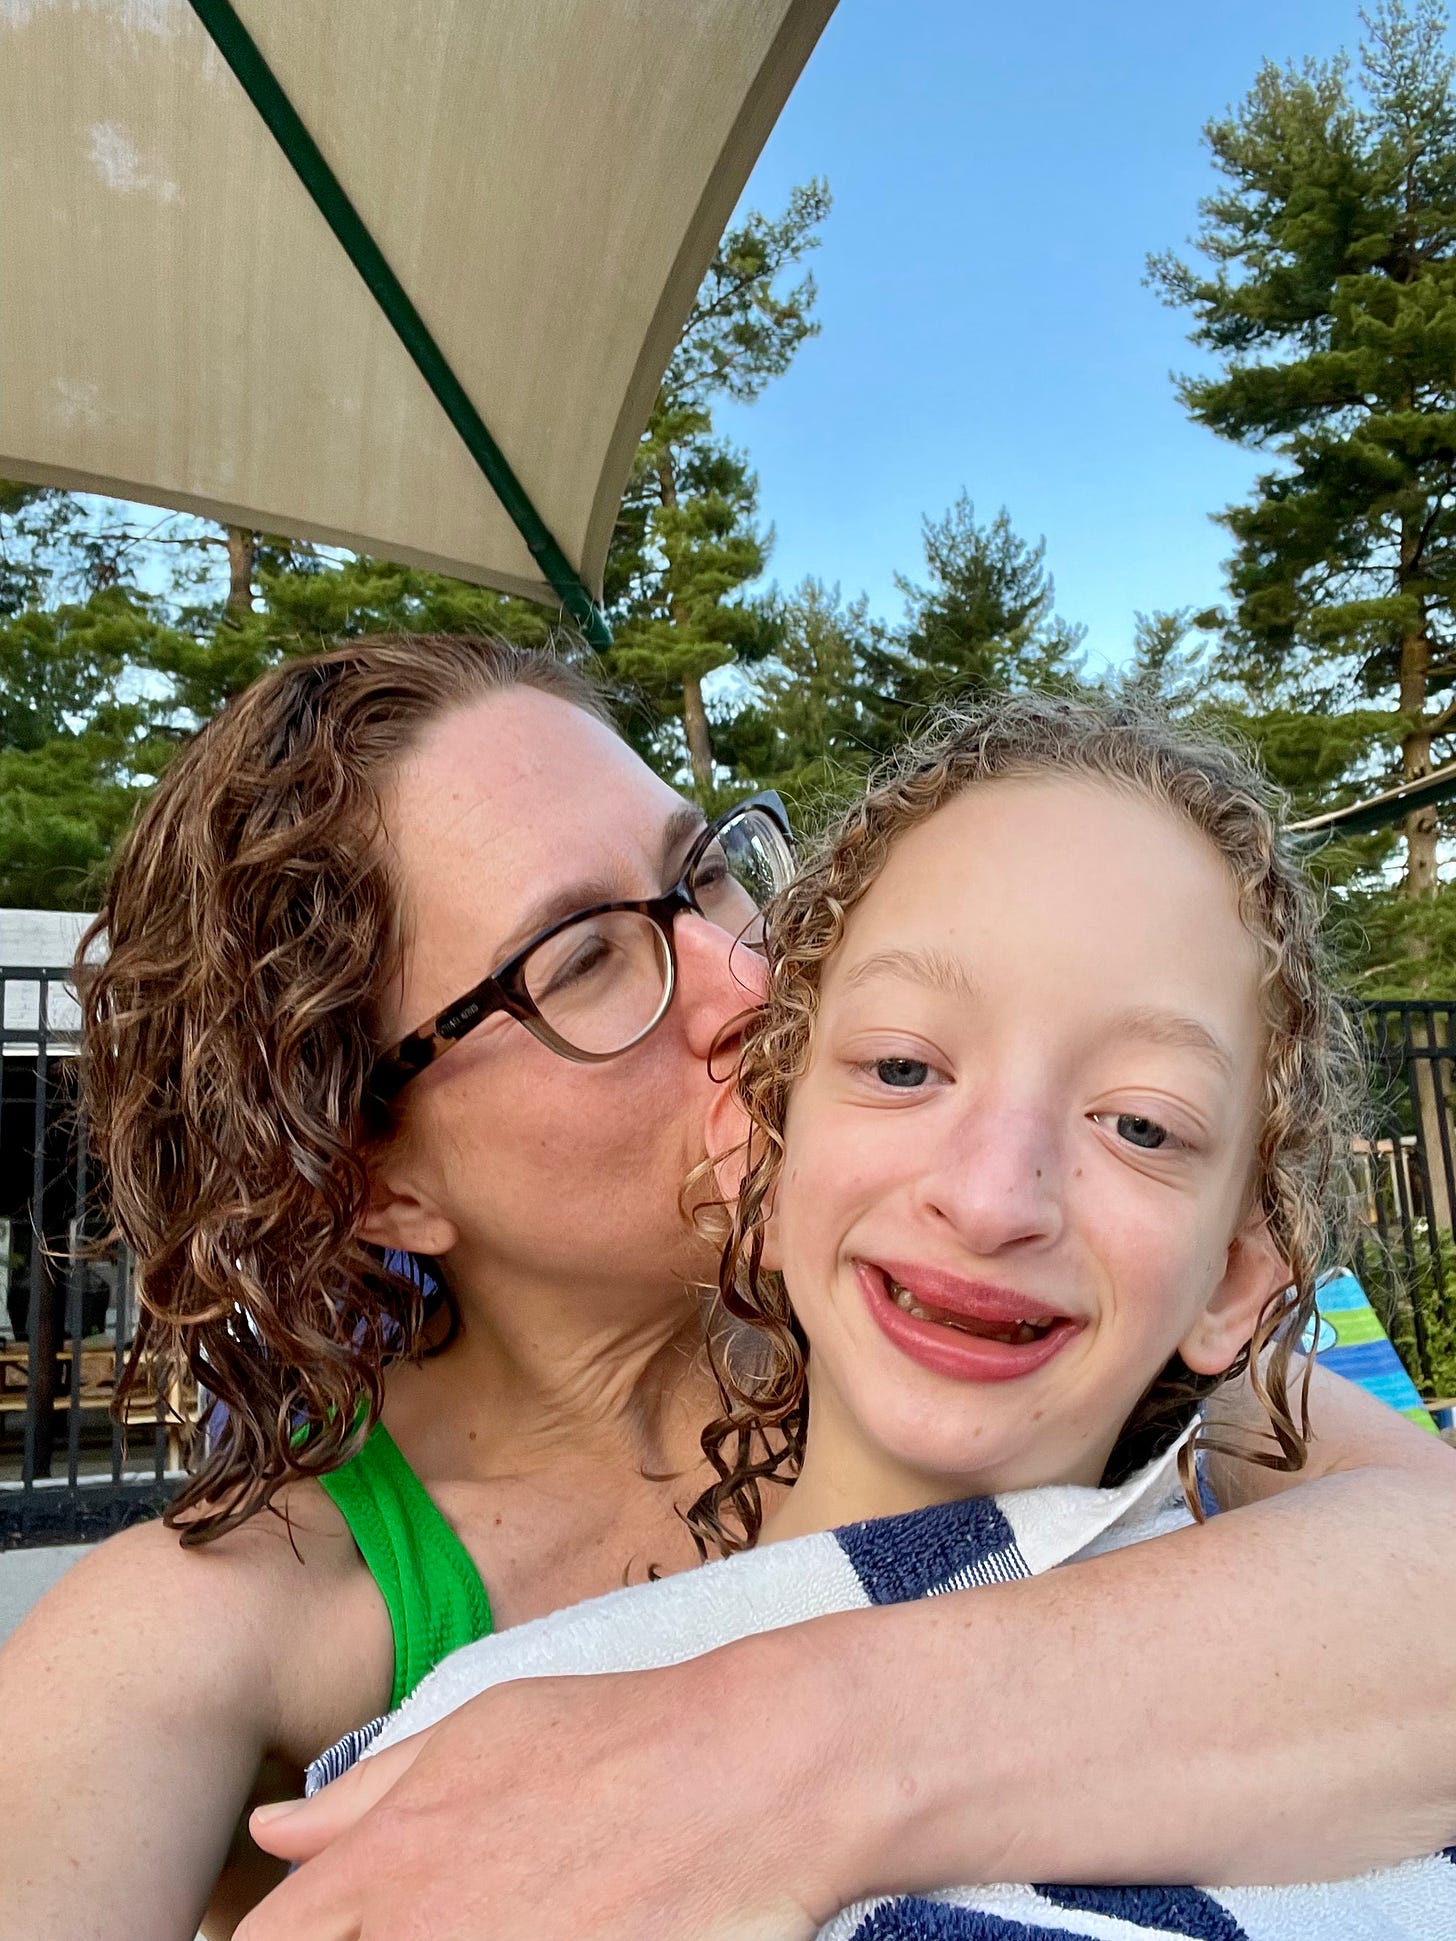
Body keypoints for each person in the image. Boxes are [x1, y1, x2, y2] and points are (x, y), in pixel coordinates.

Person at [0, 637, 1450, 1941]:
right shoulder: (200, 1636)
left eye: (705, 873)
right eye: (583, 962)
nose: (751, 979)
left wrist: (768, 1757)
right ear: (378, 1178)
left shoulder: (946, 1335)